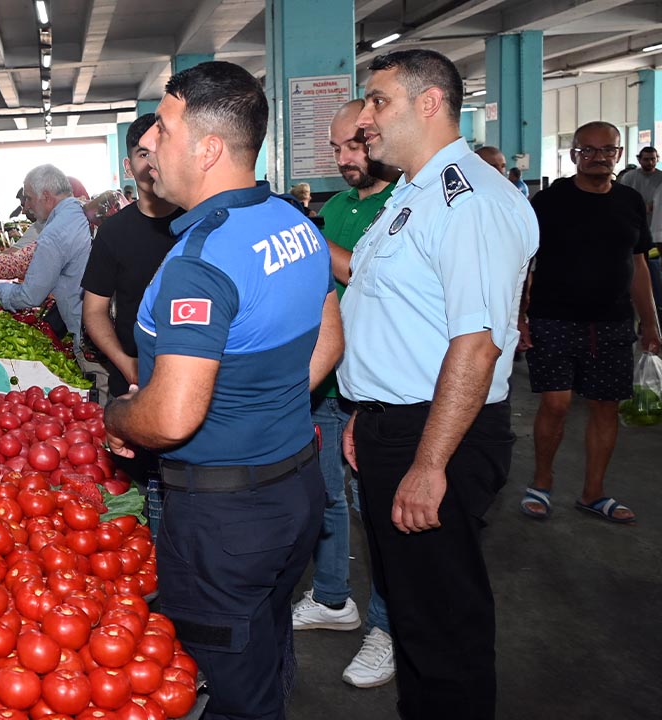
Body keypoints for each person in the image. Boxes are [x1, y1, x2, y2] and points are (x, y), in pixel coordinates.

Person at [103, 61, 343, 719]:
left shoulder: (199, 262)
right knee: (265, 648)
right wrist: (264, 406)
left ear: (208, 149)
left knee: (223, 689)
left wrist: (120, 418)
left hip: (226, 520)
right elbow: (329, 337)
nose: (150, 140)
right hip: (294, 489)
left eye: (164, 125)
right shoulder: (291, 220)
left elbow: (174, 416)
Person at [339, 50, 538, 720]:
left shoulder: (468, 198)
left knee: (443, 624)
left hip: (440, 432)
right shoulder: (415, 192)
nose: (366, 119)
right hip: (396, 424)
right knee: (415, 615)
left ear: (429, 103)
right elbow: (397, 313)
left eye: (378, 101)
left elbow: (477, 344)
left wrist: (430, 462)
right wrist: (367, 412)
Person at [291, 98, 399, 690]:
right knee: (328, 495)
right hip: (331, 380)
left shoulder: (400, 205)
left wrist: (304, 239)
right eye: (335, 149)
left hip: (382, 387)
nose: (344, 159)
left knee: (380, 511)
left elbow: (361, 272)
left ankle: (386, 626)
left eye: (352, 146)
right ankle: (334, 599)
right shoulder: (336, 206)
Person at [519, 121, 661, 524]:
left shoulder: (630, 201)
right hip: (553, 318)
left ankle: (593, 493)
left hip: (613, 322)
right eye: (588, 150)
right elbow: (524, 263)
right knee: (556, 403)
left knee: (605, 408)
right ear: (574, 155)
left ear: (619, 154)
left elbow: (637, 263)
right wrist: (520, 316)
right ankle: (541, 484)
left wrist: (651, 322)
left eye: (607, 150)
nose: (598, 157)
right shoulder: (548, 202)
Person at [82, 113, 182, 398]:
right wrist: (125, 363)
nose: (153, 162)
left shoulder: (199, 222)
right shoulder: (113, 232)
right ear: (128, 166)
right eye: (143, 153)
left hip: (199, 377)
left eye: (161, 151)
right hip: (132, 381)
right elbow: (94, 310)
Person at [0, 165, 91, 348]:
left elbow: (29, 296)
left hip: (88, 329)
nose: (27, 206)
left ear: (45, 196)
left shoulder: (53, 235)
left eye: (29, 198)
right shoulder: (80, 211)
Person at [618, 146, 662, 221]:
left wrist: (653, 205)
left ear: (657, 159)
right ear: (639, 160)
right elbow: (622, 199)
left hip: (657, 222)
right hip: (634, 219)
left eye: (653, 159)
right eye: (646, 159)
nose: (650, 162)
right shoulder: (628, 177)